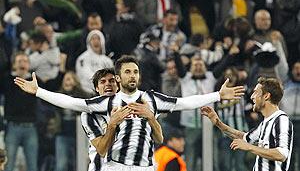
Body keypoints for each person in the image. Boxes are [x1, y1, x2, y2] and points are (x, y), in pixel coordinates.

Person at [14, 55, 245, 170]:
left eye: (135, 71)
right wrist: (39, 92)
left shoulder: (151, 99)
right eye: (127, 72)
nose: (133, 75)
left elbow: (185, 102)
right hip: (116, 167)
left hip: (145, 167)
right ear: (119, 77)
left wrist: (217, 96)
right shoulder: (107, 102)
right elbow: (73, 103)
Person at [201, 77, 294, 171]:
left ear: (266, 96)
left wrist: (249, 147)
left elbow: (281, 155)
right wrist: (218, 123)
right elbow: (244, 138)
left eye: (256, 92)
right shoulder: (265, 123)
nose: (252, 96)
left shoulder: (281, 120)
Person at [81, 68, 163, 171]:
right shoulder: (89, 114)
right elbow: (102, 150)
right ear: (97, 88)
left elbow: (159, 139)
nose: (108, 84)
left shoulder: (133, 108)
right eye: (103, 81)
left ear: (118, 85)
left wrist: (151, 117)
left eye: (112, 81)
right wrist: (112, 125)